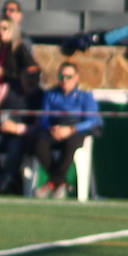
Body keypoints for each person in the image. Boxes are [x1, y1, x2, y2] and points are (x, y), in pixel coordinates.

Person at [32, 62, 102, 199]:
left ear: (76, 78)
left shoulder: (85, 96)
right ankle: (60, 182)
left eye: (69, 77)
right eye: (62, 76)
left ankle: (53, 183)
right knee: (39, 144)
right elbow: (44, 118)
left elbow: (93, 120)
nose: (65, 80)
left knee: (72, 143)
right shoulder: (51, 95)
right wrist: (52, 128)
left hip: (76, 131)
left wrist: (71, 129)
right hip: (54, 130)